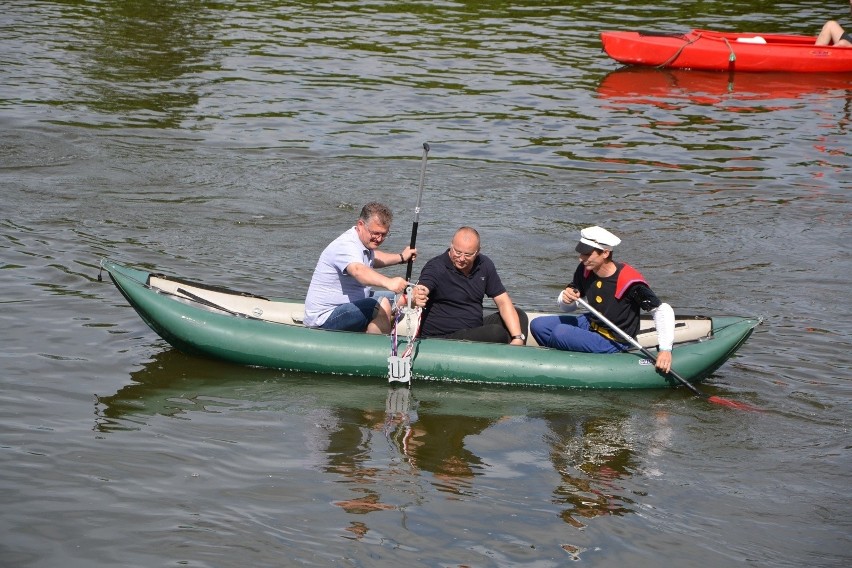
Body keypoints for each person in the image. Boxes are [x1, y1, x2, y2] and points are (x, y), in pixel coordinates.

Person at [529, 226, 675, 373]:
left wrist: (665, 349)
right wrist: (566, 299)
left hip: (614, 339)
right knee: (538, 325)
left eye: (587, 254)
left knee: (560, 333)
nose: (581, 258)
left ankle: (561, 363)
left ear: (605, 253)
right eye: (581, 253)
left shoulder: (629, 282)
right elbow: (569, 306)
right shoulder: (585, 269)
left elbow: (662, 310)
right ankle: (568, 358)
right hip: (591, 324)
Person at [303, 202, 417, 334]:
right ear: (360, 225)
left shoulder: (362, 242)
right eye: (375, 233)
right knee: (381, 305)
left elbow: (373, 258)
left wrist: (402, 257)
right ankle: (375, 348)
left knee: (398, 299)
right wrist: (389, 282)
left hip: (349, 305)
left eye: (384, 234)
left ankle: (372, 330)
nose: (379, 239)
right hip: (325, 318)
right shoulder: (346, 245)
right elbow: (358, 270)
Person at [411, 226, 528, 345]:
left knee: (519, 315)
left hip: (472, 329)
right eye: (457, 252)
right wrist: (418, 294)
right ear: (451, 245)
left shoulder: (484, 265)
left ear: (477, 252)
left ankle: (516, 354)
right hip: (443, 336)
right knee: (495, 333)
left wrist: (518, 337)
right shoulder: (436, 266)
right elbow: (423, 286)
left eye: (468, 255)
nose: (461, 258)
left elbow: (502, 301)